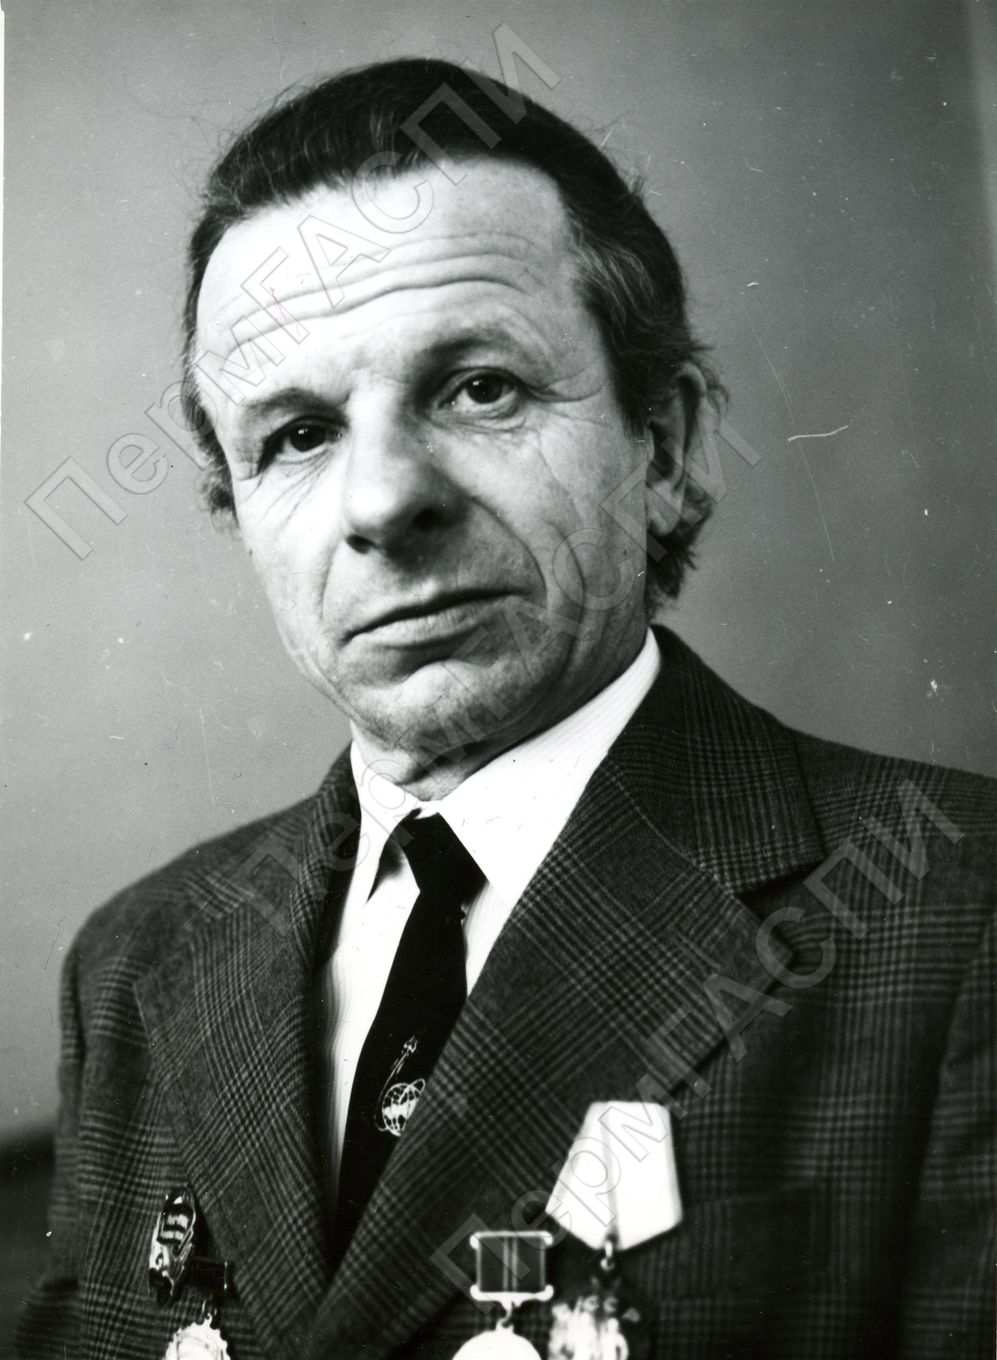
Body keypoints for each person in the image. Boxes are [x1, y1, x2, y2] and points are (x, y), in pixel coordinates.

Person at [18, 58, 995, 1360]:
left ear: (665, 448)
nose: (383, 502)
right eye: (296, 435)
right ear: (237, 511)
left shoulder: (953, 913)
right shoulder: (134, 963)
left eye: (479, 388)